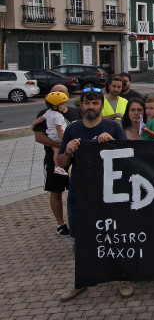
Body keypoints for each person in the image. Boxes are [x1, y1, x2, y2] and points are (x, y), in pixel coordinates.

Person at [57, 87, 131, 301]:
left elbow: (129, 158)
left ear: (101, 105)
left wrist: (113, 144)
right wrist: (68, 150)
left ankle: (122, 277)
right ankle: (80, 281)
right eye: (87, 104)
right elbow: (61, 163)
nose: (91, 107)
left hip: (109, 192)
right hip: (80, 192)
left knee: (115, 237)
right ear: (81, 106)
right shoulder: (72, 130)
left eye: (95, 103)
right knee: (80, 240)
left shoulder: (113, 127)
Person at [32, 84, 82, 237]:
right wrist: (61, 146)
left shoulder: (76, 112)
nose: (58, 95)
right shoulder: (45, 113)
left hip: (76, 160)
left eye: (61, 92)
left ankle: (80, 221)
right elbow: (39, 136)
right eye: (54, 92)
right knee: (56, 190)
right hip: (54, 159)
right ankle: (61, 224)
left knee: (79, 191)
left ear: (67, 95)